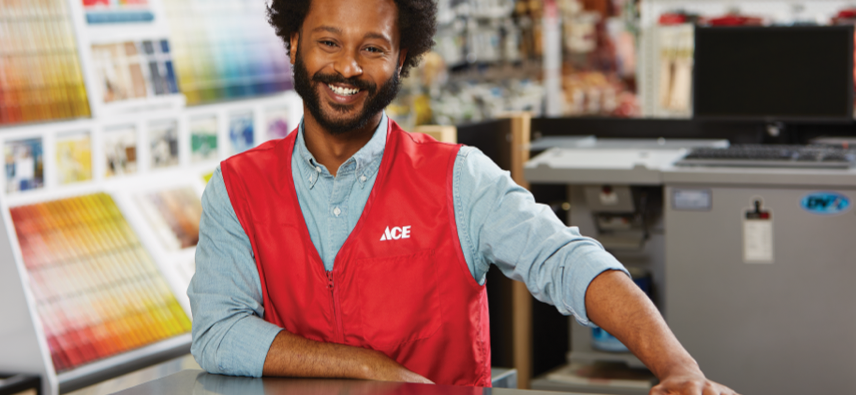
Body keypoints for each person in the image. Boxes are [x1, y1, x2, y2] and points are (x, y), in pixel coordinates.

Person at [188, 0, 738, 393]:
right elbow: (218, 331)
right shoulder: (237, 187)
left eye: (373, 48)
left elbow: (565, 259)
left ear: (402, 58)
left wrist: (677, 366)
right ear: (294, 43)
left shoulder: (457, 179)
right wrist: (369, 368)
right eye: (328, 42)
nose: (348, 67)